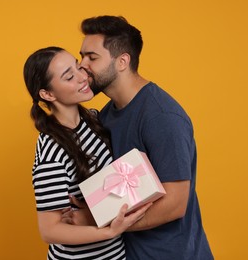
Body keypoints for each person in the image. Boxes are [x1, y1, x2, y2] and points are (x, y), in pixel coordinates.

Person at [75, 16, 214, 259]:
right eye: (82, 56)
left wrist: (101, 221)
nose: (82, 65)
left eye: (92, 57)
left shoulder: (161, 116)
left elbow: (175, 204)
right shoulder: (107, 115)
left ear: (122, 62)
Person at [23, 46, 151, 260]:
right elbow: (49, 230)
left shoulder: (92, 119)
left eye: (77, 66)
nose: (83, 76)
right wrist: (108, 231)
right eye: (69, 76)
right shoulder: (51, 152)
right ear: (47, 94)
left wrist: (95, 205)